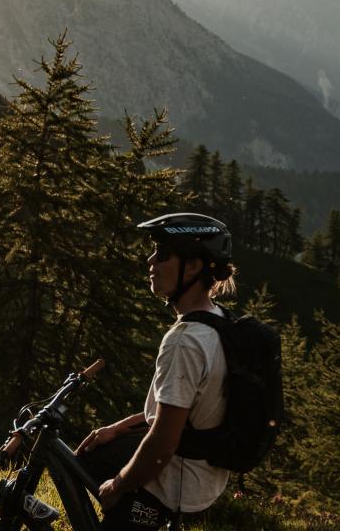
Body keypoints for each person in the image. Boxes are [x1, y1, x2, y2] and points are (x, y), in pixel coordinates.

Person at [76, 212, 235, 530]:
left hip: (178, 482)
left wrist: (117, 486)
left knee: (95, 468)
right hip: (205, 470)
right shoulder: (219, 320)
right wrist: (121, 426)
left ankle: (130, 512)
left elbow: (163, 443)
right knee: (97, 450)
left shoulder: (185, 341)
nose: (151, 260)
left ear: (192, 266)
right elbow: (179, 410)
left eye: (162, 253)